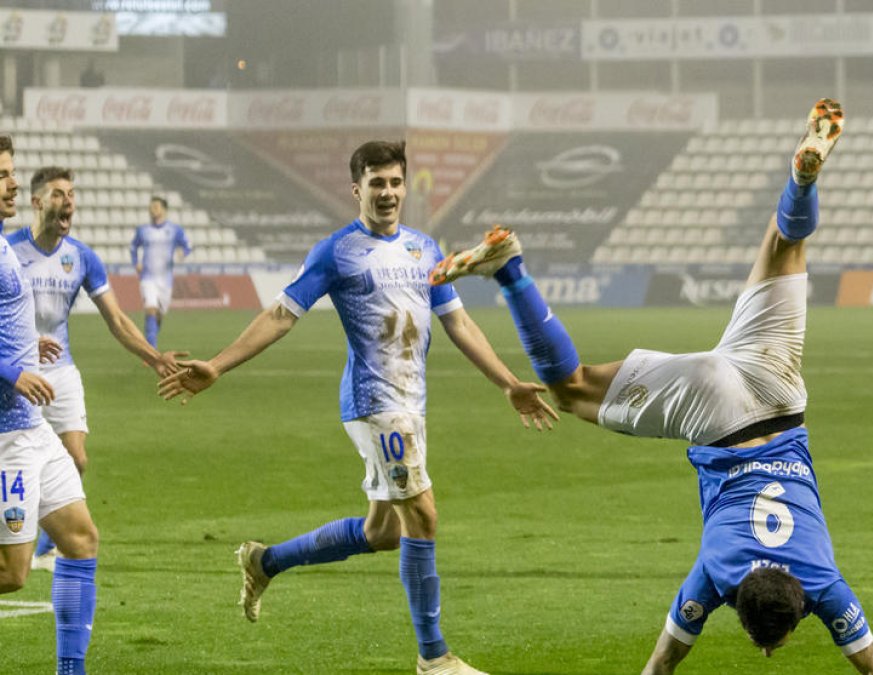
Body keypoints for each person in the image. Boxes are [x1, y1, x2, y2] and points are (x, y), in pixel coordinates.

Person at [431, 99, 873, 674]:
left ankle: (801, 183)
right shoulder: (717, 573)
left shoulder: (823, 583)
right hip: (719, 412)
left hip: (780, 389)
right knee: (572, 390)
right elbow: (659, 667)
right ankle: (509, 270)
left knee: (785, 245)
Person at [157, 140, 556, 675]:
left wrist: (507, 383)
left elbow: (458, 322)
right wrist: (218, 365)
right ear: (356, 189)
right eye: (376, 184)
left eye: (395, 183)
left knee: (383, 533)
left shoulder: (423, 249)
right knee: (423, 516)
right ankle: (434, 658)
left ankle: (265, 561)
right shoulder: (337, 251)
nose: (388, 193)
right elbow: (281, 314)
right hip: (374, 402)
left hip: (411, 403)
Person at [7, 166, 181, 569]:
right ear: (36, 202)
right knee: (19, 461)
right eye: (58, 194)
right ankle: (24, 540)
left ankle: (46, 546)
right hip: (17, 371)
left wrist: (155, 358)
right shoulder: (9, 251)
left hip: (61, 369)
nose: (68, 201)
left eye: (71, 194)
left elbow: (116, 319)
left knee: (77, 460)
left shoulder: (82, 257)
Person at [0, 135, 100, 675]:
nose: (14, 183)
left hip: (32, 427)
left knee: (80, 539)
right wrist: (13, 369)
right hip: (5, 436)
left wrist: (25, 347)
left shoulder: (2, 245)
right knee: (12, 573)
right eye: (2, 175)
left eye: (12, 172)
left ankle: (70, 671)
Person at [130, 196, 191, 348]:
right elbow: (133, 247)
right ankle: (151, 350)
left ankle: (150, 339)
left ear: (164, 210)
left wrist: (182, 253)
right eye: (151, 207)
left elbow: (187, 246)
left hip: (166, 280)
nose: (152, 210)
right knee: (150, 308)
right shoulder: (143, 230)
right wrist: (136, 262)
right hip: (147, 277)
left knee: (159, 314)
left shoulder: (175, 230)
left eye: (156, 207)